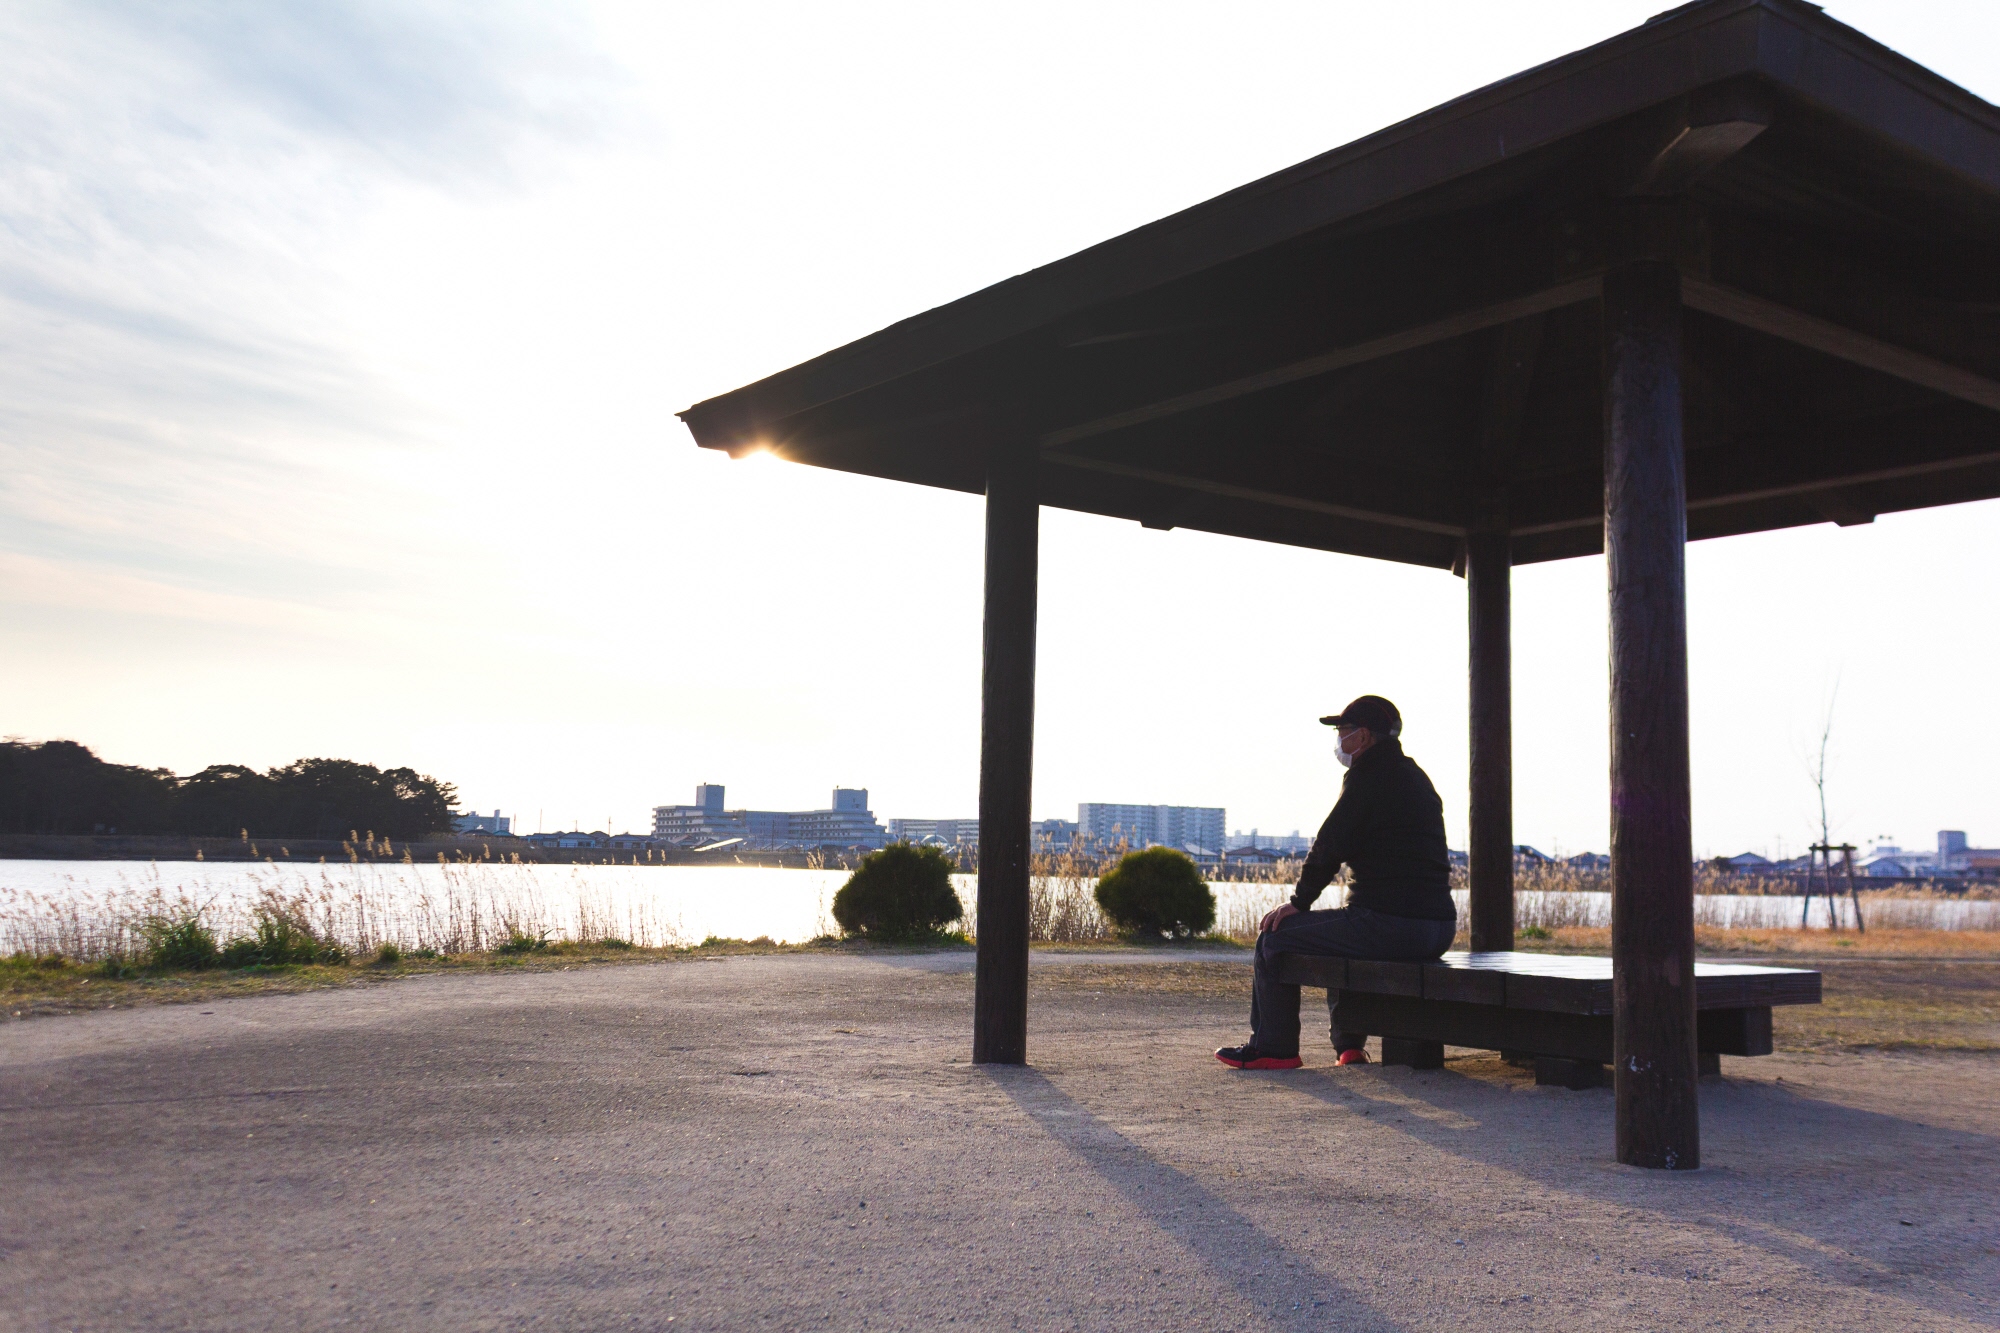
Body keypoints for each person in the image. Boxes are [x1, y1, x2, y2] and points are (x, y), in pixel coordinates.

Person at [1215, 694, 1457, 1070]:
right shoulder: (1416, 777)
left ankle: (1274, 1048)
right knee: (1342, 934)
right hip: (1438, 927)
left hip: (1390, 924)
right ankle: (1348, 1046)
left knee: (1275, 938)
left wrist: (1299, 901)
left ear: (1362, 737)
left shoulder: (1368, 776)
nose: (1338, 741)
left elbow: (1330, 843)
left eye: (1342, 731)